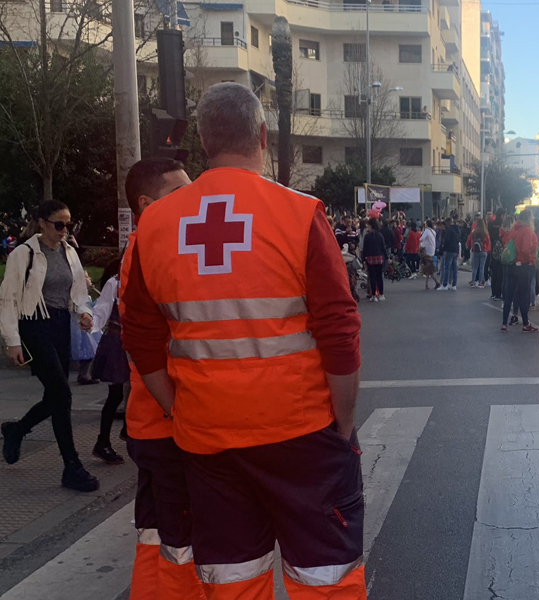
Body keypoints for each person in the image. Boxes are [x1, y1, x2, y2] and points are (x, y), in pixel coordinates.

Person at [121, 83, 365, 599]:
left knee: (232, 576)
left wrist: (175, 407)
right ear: (262, 135)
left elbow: (141, 335)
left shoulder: (155, 225)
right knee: (324, 579)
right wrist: (343, 425)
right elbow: (339, 331)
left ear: (205, 141)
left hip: (208, 439)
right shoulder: (299, 214)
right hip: (300, 431)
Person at [114, 157, 205, 598]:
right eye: (178, 193)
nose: (191, 201)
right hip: (168, 421)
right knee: (180, 542)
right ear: (148, 204)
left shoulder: (143, 248)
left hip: (150, 421)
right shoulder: (151, 249)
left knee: (155, 531)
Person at [1, 200, 99, 492]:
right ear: (42, 222)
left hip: (60, 326)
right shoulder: (25, 253)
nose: (64, 230)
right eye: (59, 224)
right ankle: (72, 466)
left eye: (68, 224)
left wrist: (85, 313)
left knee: (56, 395)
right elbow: (8, 299)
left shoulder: (69, 252)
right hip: (34, 325)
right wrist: (12, 341)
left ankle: (16, 429)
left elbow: (79, 292)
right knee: (61, 393)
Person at [90, 260, 128, 464]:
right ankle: (103, 442)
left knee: (137, 388)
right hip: (117, 340)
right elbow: (101, 311)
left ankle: (128, 430)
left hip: (131, 341)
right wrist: (91, 326)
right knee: (115, 394)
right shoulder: (115, 283)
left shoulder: (140, 280)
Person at [500, 209, 539, 333]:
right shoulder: (527, 230)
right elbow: (526, 249)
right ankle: (526, 323)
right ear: (529, 218)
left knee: (509, 295)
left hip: (511, 265)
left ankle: (504, 324)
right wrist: (528, 261)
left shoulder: (513, 229)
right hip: (524, 266)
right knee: (523, 295)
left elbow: (507, 244)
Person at [362, 218, 387, 301]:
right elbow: (383, 248)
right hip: (379, 258)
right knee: (379, 276)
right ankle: (381, 294)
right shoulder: (380, 235)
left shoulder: (367, 236)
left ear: (371, 226)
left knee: (372, 277)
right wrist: (387, 257)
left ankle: (373, 295)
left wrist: (363, 259)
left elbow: (364, 249)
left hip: (370, 259)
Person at [438, 216, 461, 290]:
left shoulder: (449, 230)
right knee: (454, 268)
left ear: (447, 223)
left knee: (446, 267)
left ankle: (445, 285)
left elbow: (446, 240)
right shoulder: (457, 229)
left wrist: (443, 249)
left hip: (449, 250)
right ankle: (454, 285)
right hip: (456, 250)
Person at [467, 218, 491, 288]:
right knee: (482, 267)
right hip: (484, 250)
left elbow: (471, 239)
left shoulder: (474, 232)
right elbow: (488, 241)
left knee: (475, 267)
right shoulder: (485, 232)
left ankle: (473, 282)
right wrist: (488, 249)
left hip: (476, 251)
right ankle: (480, 282)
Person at [419, 218, 441, 290]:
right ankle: (428, 284)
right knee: (429, 269)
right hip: (432, 251)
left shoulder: (427, 231)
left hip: (426, 251)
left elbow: (421, 239)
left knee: (428, 269)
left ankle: (436, 283)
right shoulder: (433, 231)